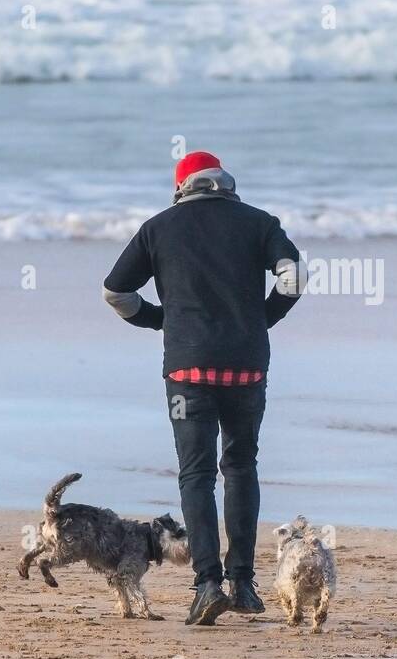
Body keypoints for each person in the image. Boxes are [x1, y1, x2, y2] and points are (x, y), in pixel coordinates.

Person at [103, 150, 303, 626]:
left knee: (196, 475)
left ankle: (207, 584)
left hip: (187, 373)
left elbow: (115, 291)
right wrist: (260, 321)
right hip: (247, 368)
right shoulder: (259, 222)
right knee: (240, 465)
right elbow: (293, 277)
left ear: (181, 188)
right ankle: (244, 584)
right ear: (225, 183)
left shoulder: (159, 227)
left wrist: (160, 320)